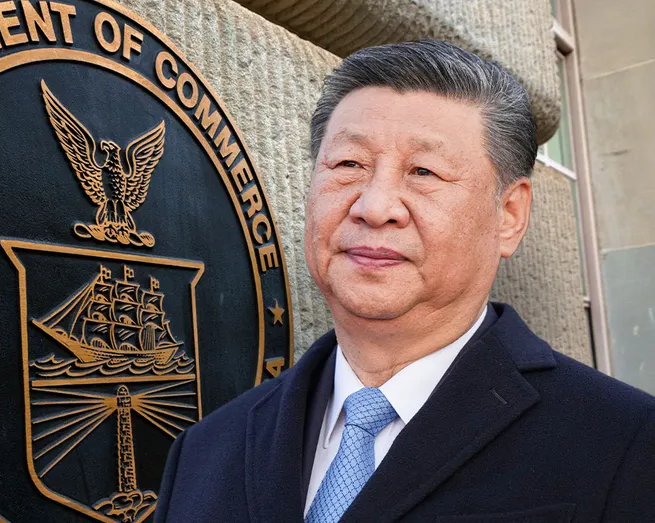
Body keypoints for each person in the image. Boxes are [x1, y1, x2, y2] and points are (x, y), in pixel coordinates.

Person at [153, 40, 655, 523]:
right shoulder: (205, 451)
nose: (374, 207)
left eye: (423, 171)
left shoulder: (623, 442)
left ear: (509, 215)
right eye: (349, 164)